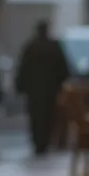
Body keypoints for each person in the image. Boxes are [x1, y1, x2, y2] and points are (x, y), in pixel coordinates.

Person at [15, 21, 71, 155]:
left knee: (35, 118)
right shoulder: (54, 47)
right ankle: (44, 142)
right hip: (50, 91)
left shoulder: (30, 47)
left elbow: (23, 69)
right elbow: (63, 69)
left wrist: (20, 87)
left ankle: (37, 142)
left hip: (33, 91)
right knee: (48, 117)